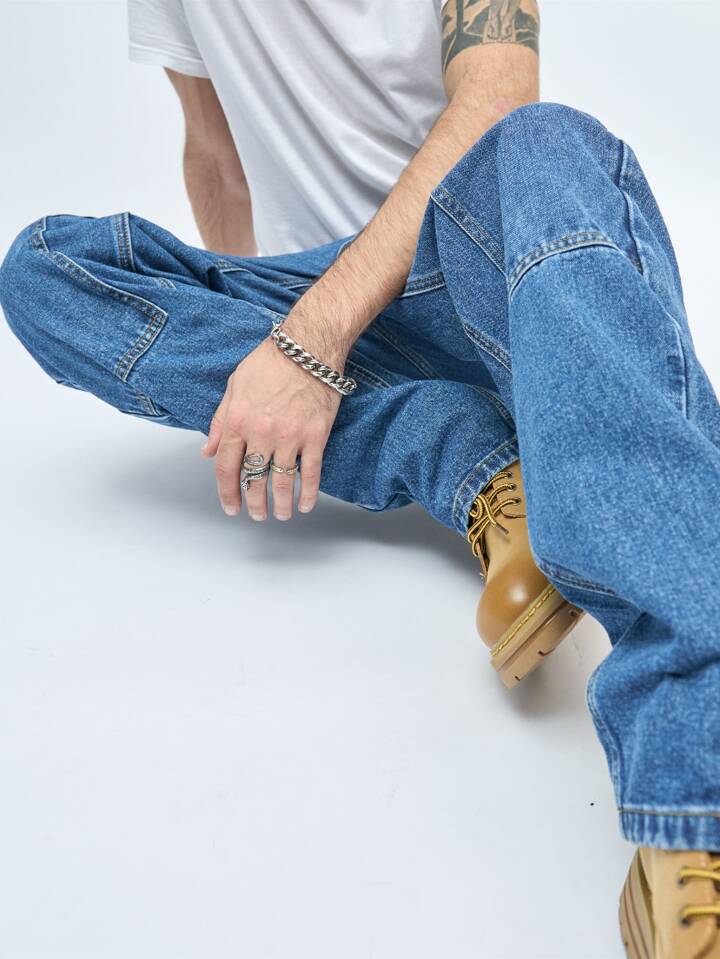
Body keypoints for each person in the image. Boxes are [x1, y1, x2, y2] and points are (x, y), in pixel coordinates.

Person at [1, 2, 719, 955]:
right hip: (322, 301)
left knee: (545, 141)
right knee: (48, 268)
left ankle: (694, 806)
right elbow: (214, 154)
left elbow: (497, 98)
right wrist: (262, 378)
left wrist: (310, 342)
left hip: (489, 255)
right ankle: (472, 458)